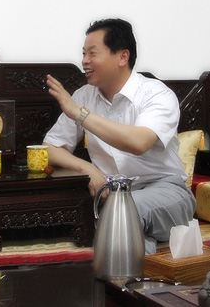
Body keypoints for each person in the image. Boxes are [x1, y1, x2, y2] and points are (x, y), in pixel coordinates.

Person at [43, 18, 196, 254]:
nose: (84, 61)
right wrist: (88, 169)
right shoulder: (84, 96)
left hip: (166, 191)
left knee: (121, 211)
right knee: (123, 225)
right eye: (83, 53)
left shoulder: (156, 94)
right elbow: (49, 148)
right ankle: (141, 275)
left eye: (93, 53)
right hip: (113, 197)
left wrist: (80, 115)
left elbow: (139, 142)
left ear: (123, 57)